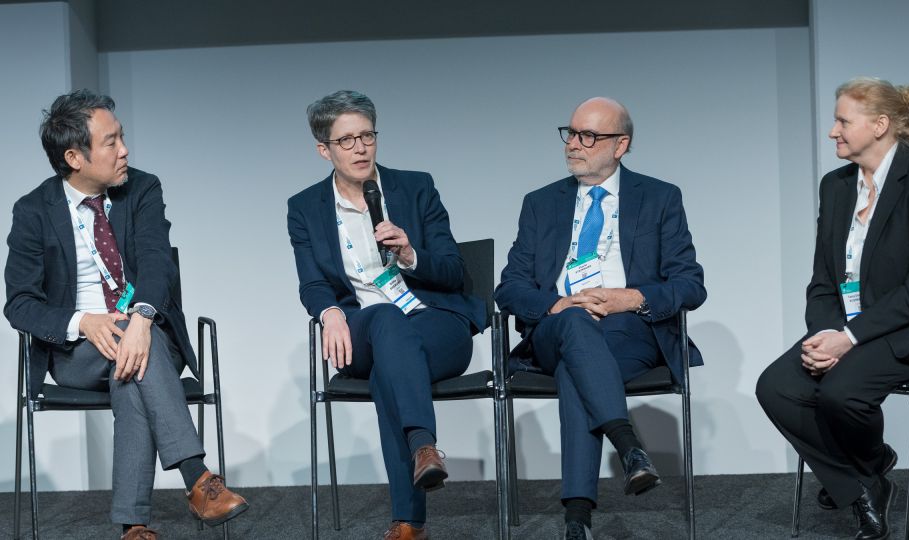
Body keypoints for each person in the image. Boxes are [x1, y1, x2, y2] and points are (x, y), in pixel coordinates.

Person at [4, 90, 249, 540]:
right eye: (112, 141)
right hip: (79, 351)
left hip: (149, 330)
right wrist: (85, 321)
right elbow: (19, 303)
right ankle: (196, 479)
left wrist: (140, 318)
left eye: (122, 137)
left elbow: (157, 261)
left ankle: (135, 524)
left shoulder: (143, 188)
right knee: (134, 370)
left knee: (140, 354)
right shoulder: (33, 211)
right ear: (74, 157)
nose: (125, 150)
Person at [756, 77, 909, 540]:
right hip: (852, 329)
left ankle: (860, 480)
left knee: (840, 392)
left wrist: (849, 338)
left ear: (880, 125)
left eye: (843, 121)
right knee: (777, 387)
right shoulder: (836, 186)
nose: (833, 131)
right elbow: (824, 281)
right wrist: (825, 337)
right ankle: (866, 479)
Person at [494, 97, 706, 539]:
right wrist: (556, 305)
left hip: (629, 329)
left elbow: (690, 284)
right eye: (570, 133)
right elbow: (509, 287)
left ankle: (577, 520)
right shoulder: (540, 203)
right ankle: (628, 445)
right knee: (574, 327)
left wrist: (630, 298)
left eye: (588, 136)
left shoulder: (660, 197)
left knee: (580, 368)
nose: (574, 144)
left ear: (621, 144)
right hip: (556, 327)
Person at [287, 90, 486, 540]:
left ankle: (409, 522)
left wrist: (413, 253)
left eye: (367, 136)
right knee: (384, 319)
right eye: (347, 141)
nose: (360, 148)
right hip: (363, 329)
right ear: (325, 150)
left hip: (435, 322)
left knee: (389, 374)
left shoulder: (416, 187)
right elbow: (313, 283)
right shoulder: (304, 208)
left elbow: (455, 271)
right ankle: (424, 445)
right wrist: (330, 314)